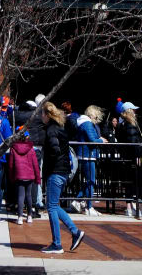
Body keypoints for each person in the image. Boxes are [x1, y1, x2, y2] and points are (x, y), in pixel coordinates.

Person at [37, 101, 85, 254]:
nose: (40, 116)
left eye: (42, 114)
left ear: (47, 114)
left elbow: (54, 149)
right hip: (62, 171)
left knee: (51, 207)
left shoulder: (51, 130)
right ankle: (75, 232)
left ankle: (57, 243)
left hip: (55, 172)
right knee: (54, 206)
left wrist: (50, 164)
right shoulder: (59, 127)